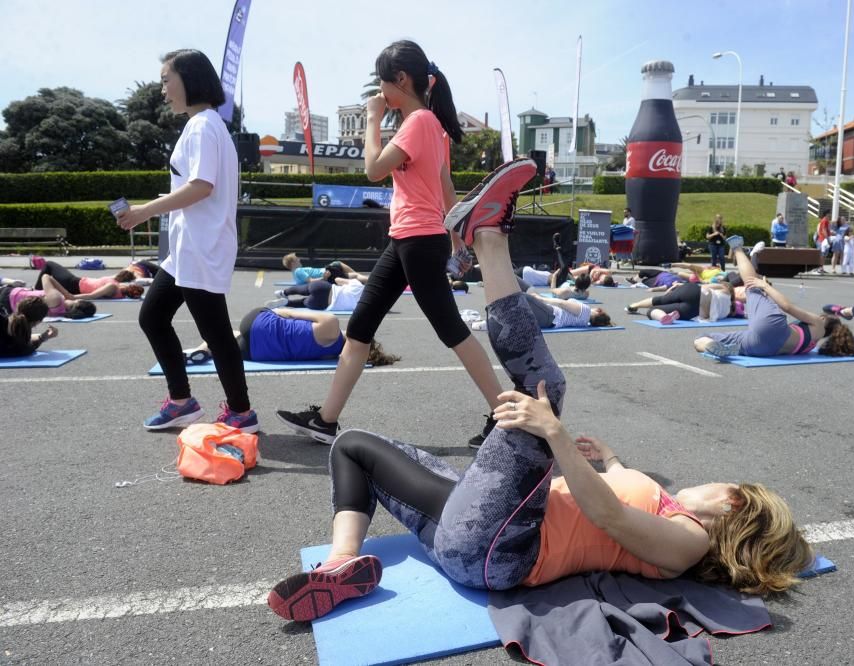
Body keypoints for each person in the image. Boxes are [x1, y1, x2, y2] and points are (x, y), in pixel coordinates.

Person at [265, 215, 814, 624]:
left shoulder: (691, 541)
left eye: (724, 485)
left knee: (544, 392)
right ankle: (341, 564)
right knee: (352, 446)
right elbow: (615, 510)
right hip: (473, 540)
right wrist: (614, 461)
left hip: (504, 547)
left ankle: (489, 237)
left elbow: (612, 519)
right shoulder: (670, 518)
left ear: (733, 502)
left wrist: (555, 435)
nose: (711, 482)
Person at [275, 40, 537, 448]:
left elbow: (374, 170)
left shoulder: (417, 123)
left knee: (453, 331)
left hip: (417, 241)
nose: (380, 94)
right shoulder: (430, 126)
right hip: (409, 240)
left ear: (401, 80)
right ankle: (326, 420)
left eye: (383, 85)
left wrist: (372, 119)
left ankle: (505, 417)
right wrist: (457, 240)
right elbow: (446, 188)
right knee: (360, 328)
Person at [115, 49, 257, 432]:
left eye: (166, 79)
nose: (162, 89)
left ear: (189, 79)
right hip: (188, 249)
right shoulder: (206, 125)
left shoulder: (202, 126)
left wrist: (145, 210)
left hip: (200, 247)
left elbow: (201, 186)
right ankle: (182, 401)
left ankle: (241, 413)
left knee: (214, 333)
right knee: (153, 316)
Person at [694, 249, 854, 358]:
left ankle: (736, 246)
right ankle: (712, 346)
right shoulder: (810, 346)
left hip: (774, 327)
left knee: (752, 286)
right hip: (763, 349)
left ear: (824, 320)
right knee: (701, 338)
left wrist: (765, 286)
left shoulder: (817, 323)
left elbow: (787, 307)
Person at [184, 307, 399, 367]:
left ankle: (201, 350)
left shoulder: (332, 325)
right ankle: (204, 349)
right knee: (228, 339)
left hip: (260, 325)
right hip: (258, 353)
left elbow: (288, 312)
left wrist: (269, 311)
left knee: (237, 331)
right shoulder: (331, 357)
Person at [625, 281, 736, 325]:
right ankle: (663, 316)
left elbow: (704, 287)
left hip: (694, 292)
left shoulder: (723, 288)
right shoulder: (726, 312)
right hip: (693, 311)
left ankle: (634, 305)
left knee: (662, 300)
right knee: (652, 311)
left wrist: (679, 286)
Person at [32, 260, 144, 300]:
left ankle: (35, 291)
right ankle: (37, 291)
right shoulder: (119, 290)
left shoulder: (113, 287)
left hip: (73, 283)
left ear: (129, 287)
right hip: (75, 284)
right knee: (49, 275)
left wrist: (71, 297)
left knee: (49, 265)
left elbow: (92, 295)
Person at [1, 277, 97, 320]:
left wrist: (67, 294)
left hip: (10, 295)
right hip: (10, 307)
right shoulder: (60, 313)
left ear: (79, 302)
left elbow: (46, 277)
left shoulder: (57, 299)